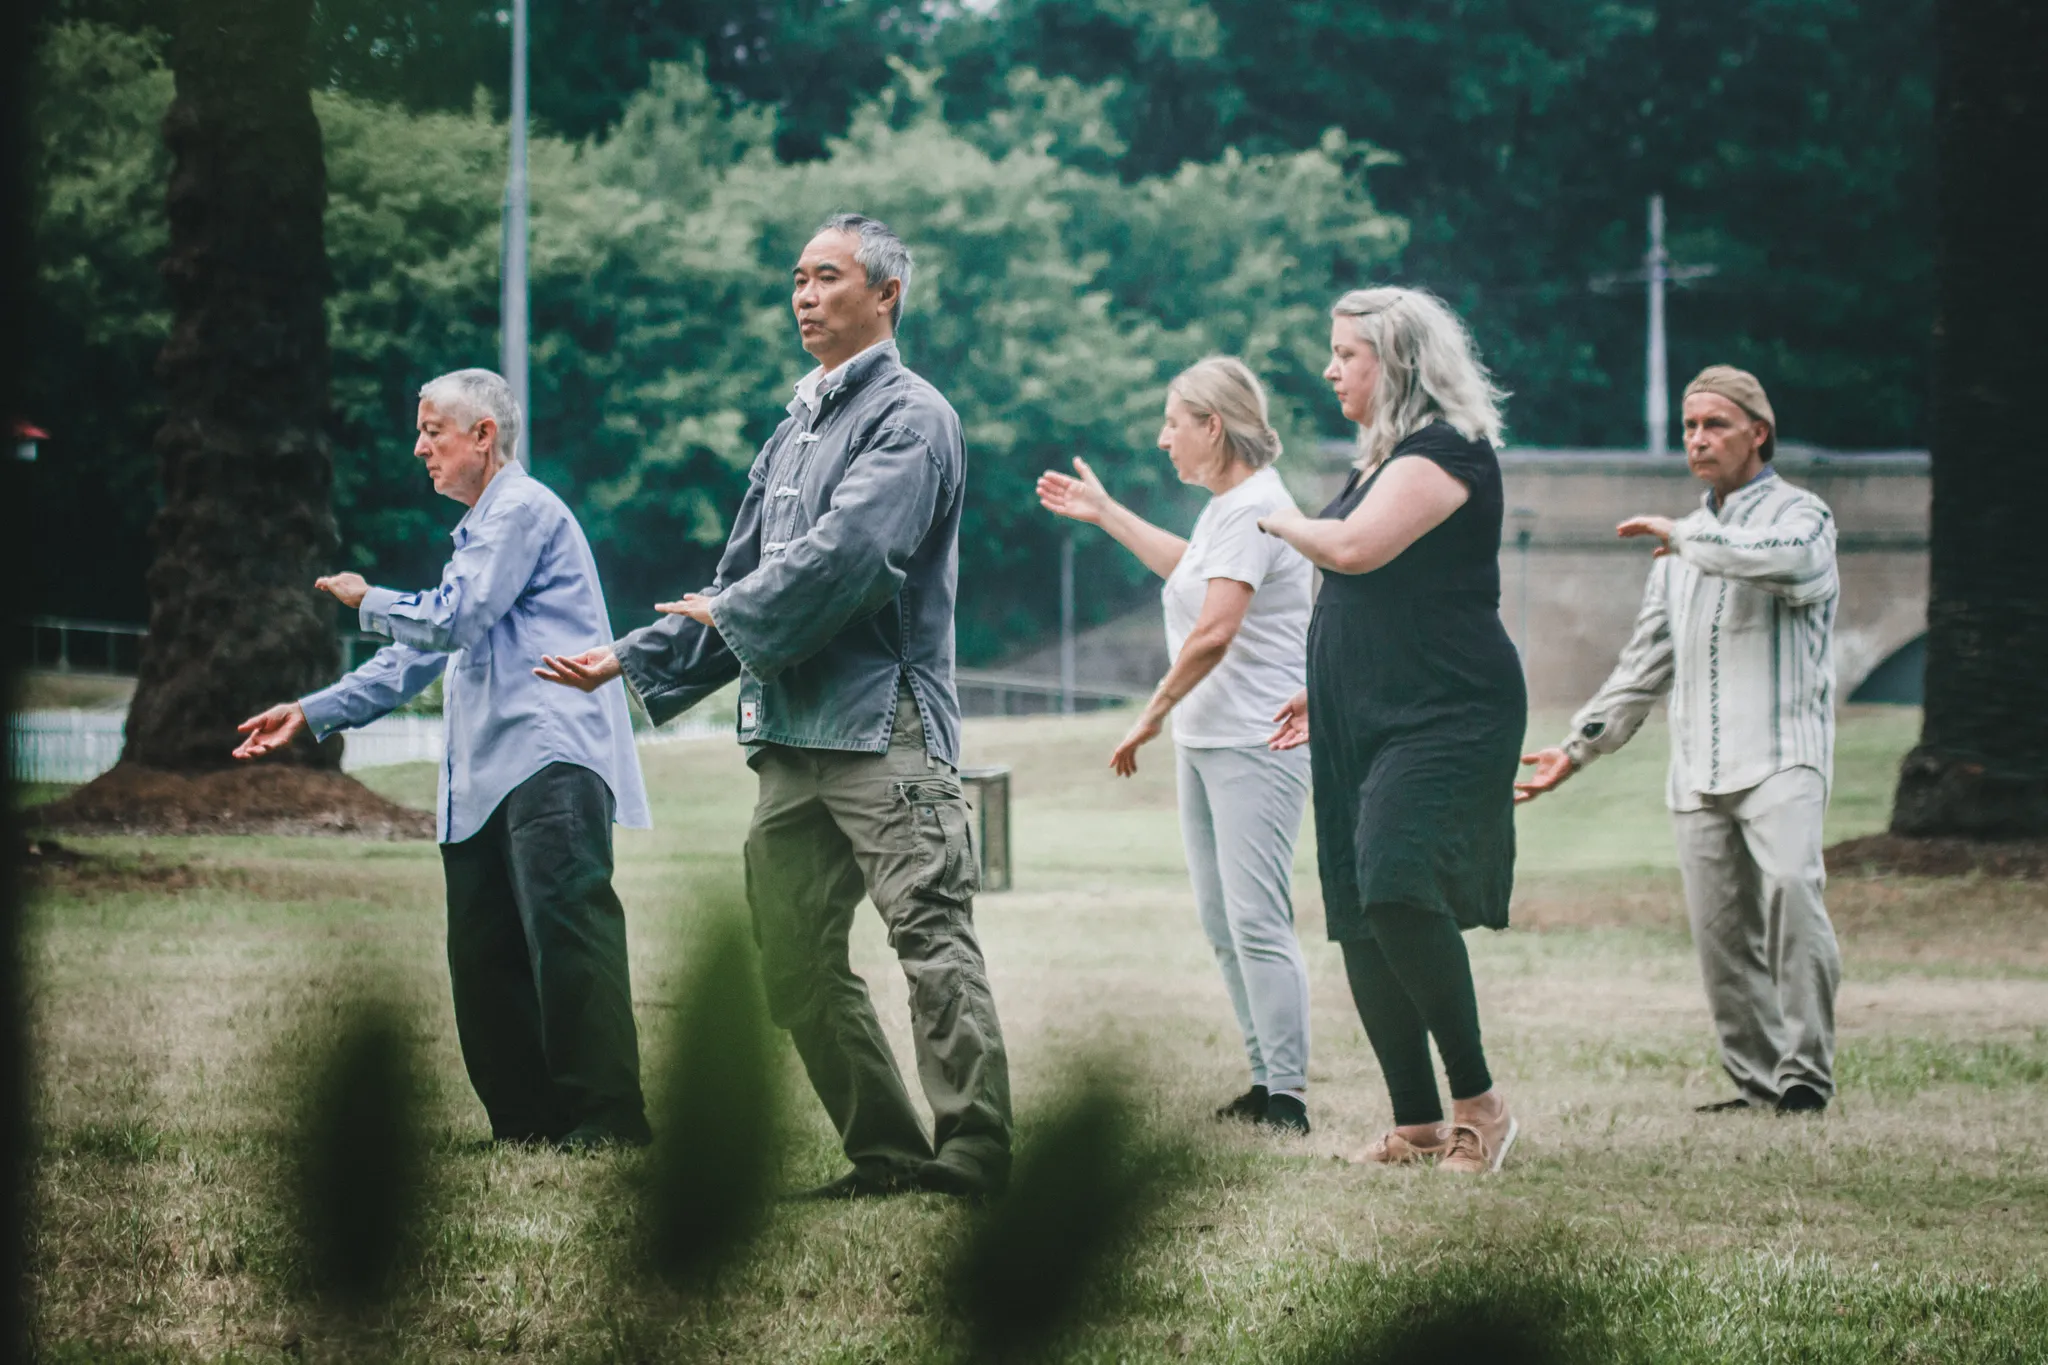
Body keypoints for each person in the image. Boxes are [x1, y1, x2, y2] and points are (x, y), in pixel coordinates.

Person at [535, 214, 1012, 1199]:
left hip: (885, 725)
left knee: (928, 934)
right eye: (795, 278)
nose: (802, 295)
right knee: (789, 954)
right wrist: (627, 657)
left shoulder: (913, 418)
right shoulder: (793, 428)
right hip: (792, 738)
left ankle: (971, 1151)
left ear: (885, 295)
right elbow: (735, 578)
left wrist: (729, 609)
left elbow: (852, 556)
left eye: (825, 276)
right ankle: (883, 1152)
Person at [234, 368, 653, 1148]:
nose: (419, 446)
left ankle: (608, 1121)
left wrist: (367, 598)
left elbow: (450, 620)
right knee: (483, 953)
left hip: (549, 760)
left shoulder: (521, 511)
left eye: (433, 430)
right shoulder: (485, 532)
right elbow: (420, 652)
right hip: (489, 775)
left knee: (568, 938)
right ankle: (528, 1127)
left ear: (483, 435)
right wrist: (314, 710)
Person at [1517, 365, 1841, 1116]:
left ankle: (1806, 1078)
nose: (1698, 439)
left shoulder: (1804, 516)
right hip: (1696, 770)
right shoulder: (1678, 551)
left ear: (1758, 432)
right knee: (1721, 937)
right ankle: (1761, 1086)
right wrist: (1578, 746)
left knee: (1794, 893)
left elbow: (1790, 564)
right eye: (1690, 426)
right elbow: (1644, 664)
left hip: (1783, 756)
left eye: (1715, 425)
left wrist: (1690, 536)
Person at [1258, 286, 1524, 1175]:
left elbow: (1355, 552)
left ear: (1399, 363)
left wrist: (1276, 516)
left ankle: (1479, 1106)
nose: (1331, 369)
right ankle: (1415, 1121)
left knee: (1398, 881)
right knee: (1358, 908)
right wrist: (1318, 684)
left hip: (1445, 707)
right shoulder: (1380, 461)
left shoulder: (1448, 451)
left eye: (1347, 355)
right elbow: (1365, 593)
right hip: (1359, 708)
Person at [1037, 357, 1317, 1135]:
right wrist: (1106, 513)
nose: (1164, 439)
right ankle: (1265, 1081)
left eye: (1173, 423)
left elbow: (1216, 629)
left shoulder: (1258, 505)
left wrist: (1150, 712)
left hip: (1256, 742)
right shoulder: (1227, 510)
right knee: (1221, 921)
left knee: (1258, 919)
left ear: (1212, 426)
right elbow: (1189, 573)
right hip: (1210, 740)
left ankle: (1289, 1097)